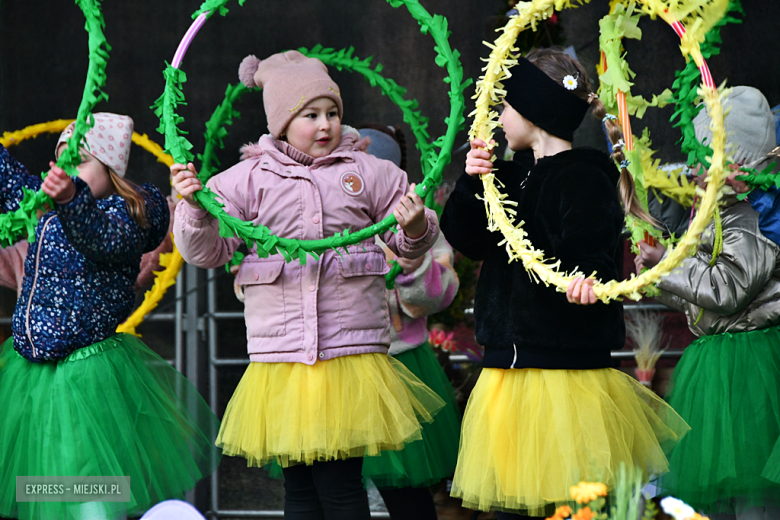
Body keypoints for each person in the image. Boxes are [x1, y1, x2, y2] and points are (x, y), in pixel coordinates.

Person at [171, 51, 443, 520]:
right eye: (310, 115)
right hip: (284, 361)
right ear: (280, 123)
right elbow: (206, 251)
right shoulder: (246, 179)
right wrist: (194, 209)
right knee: (298, 491)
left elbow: (409, 236)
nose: (325, 125)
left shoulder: (368, 171)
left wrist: (416, 225)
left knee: (340, 487)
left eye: (332, 113)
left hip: (348, 358)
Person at [440, 48, 689, 519]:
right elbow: (467, 237)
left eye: (507, 107)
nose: (500, 118)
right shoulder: (506, 176)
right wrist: (474, 183)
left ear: (536, 112)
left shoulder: (584, 177)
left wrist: (587, 281)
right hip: (508, 377)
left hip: (564, 378)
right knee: (512, 506)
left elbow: (590, 255)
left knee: (571, 504)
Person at [0, 113, 220, 520]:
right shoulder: (45, 208)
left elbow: (101, 237)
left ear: (111, 168)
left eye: (79, 160)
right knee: (48, 490)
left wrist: (70, 200)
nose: (66, 171)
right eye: (60, 160)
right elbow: (8, 180)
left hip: (86, 377)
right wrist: (59, 198)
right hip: (34, 373)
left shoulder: (128, 213)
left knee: (89, 486)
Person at [637, 86, 780, 520]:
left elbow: (727, 288)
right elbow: (699, 299)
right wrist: (657, 278)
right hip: (715, 369)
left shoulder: (756, 217)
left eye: (710, 160)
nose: (698, 172)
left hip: (750, 369)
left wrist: (667, 265)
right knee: (715, 500)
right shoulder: (716, 216)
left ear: (743, 164)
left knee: (754, 494)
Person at [358, 125, 462, 520]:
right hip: (336, 363)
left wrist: (410, 267)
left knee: (407, 495)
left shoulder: (416, 218)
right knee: (338, 491)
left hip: (401, 367)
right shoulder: (324, 209)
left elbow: (440, 292)